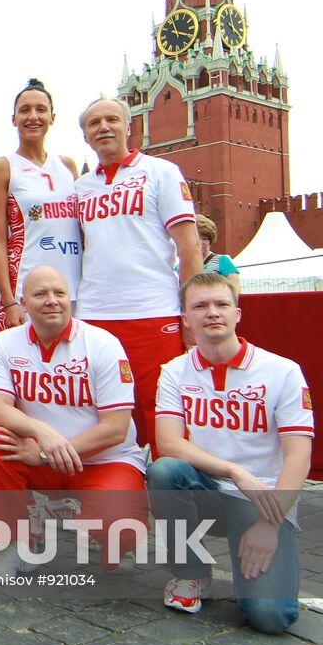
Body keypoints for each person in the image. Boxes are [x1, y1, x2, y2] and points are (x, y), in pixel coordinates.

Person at [149, 273, 314, 633]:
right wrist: (233, 471)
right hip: (208, 488)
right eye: (200, 306)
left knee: (271, 619)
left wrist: (270, 525)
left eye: (221, 304)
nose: (212, 313)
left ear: (237, 314)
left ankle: (257, 577)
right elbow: (170, 442)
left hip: (264, 500)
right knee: (163, 471)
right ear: (185, 319)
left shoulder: (282, 371)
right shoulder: (174, 371)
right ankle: (192, 574)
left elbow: (298, 455)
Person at [0, 266, 149, 578]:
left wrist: (46, 453)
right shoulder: (3, 343)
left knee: (121, 531)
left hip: (104, 461)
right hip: (41, 456)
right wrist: (40, 432)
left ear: (72, 299)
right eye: (40, 294)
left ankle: (110, 536)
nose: (51, 301)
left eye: (59, 293)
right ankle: (15, 546)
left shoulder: (103, 344)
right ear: (23, 303)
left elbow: (116, 428)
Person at [75, 97, 202, 454]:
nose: (103, 127)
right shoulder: (80, 187)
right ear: (85, 136)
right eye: (94, 123)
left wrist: (189, 315)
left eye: (112, 119)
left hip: (152, 313)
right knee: (98, 412)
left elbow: (190, 249)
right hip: (95, 316)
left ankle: (169, 497)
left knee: (160, 412)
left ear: (129, 126)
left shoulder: (161, 172)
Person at [0, 79, 82, 336]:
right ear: (14, 119)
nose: (33, 117)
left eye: (40, 110)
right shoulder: (2, 167)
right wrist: (10, 300)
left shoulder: (68, 166)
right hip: (25, 292)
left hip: (74, 290)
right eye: (24, 110)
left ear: (52, 117)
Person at [197, 214, 241, 297]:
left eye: (205, 239)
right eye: (196, 238)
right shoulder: (181, 265)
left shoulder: (222, 261)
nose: (200, 243)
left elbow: (235, 292)